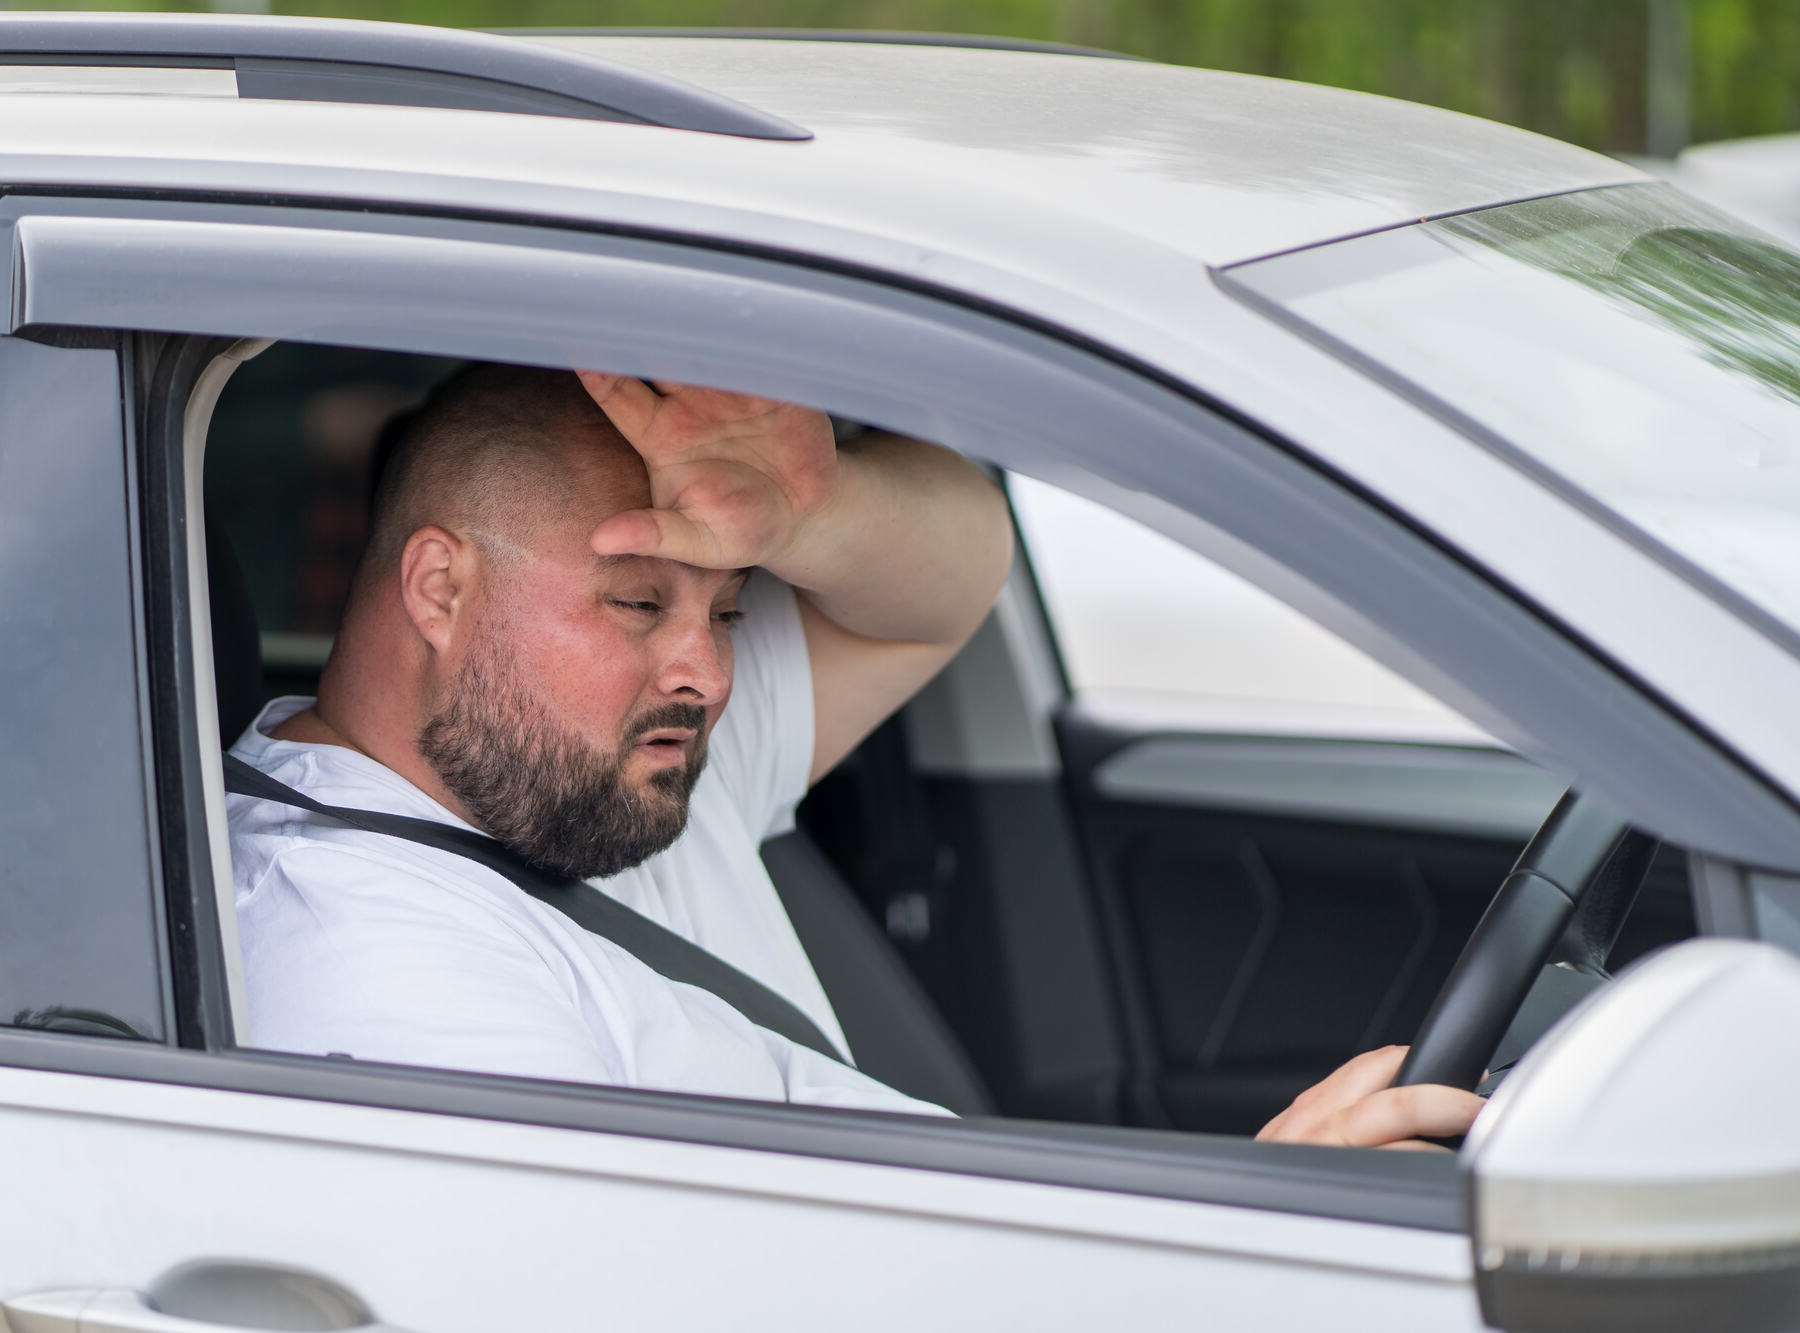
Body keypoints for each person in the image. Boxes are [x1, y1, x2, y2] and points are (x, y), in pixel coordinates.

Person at [227, 364, 1485, 1145]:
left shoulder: (593, 767)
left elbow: (952, 579)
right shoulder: (376, 969)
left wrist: (808, 513)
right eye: (634, 603)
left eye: (725, 608)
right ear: (437, 588)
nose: (706, 673)